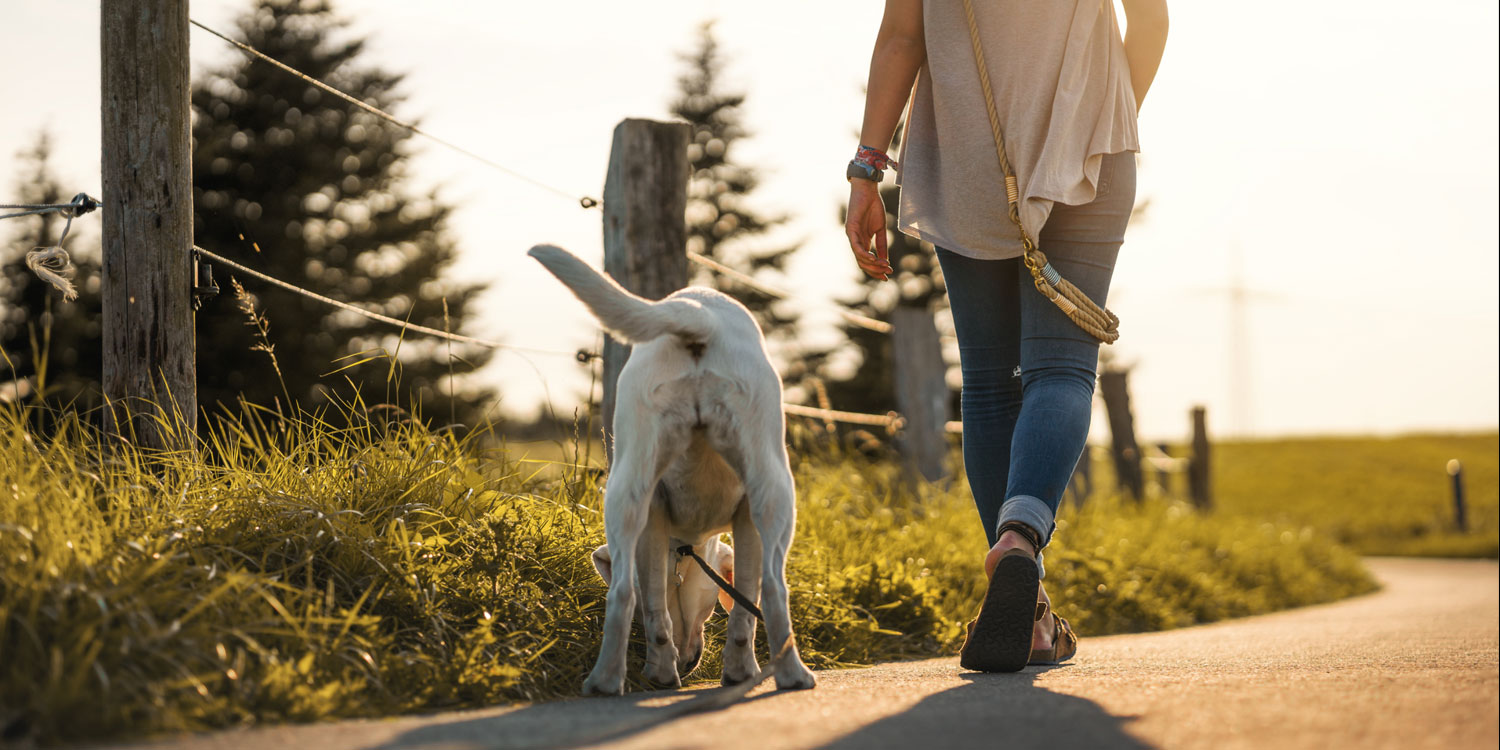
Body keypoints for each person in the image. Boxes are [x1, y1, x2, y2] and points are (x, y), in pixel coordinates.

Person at [845, 0, 1169, 671]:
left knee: (991, 386)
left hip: (968, 154)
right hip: (1091, 142)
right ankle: (1020, 539)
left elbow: (902, 36)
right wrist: (1104, 114)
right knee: (1062, 368)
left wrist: (866, 171)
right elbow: (1152, 21)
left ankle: (1030, 613)